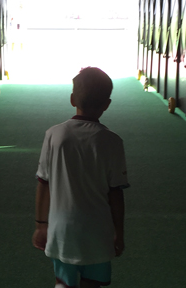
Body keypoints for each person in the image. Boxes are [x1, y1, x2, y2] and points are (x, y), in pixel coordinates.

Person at [32, 67, 130, 288]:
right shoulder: (113, 141)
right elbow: (116, 193)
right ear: (107, 104)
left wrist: (40, 225)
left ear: (72, 98)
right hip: (99, 234)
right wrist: (119, 233)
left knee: (63, 283)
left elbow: (43, 184)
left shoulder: (54, 135)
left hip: (61, 232)